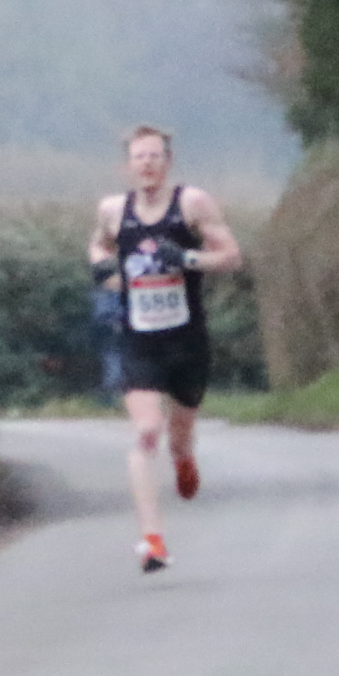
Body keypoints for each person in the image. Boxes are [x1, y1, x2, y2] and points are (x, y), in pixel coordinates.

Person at [89, 125, 243, 571]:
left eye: (155, 156)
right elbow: (98, 247)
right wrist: (105, 270)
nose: (148, 164)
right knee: (146, 432)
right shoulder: (113, 210)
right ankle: (152, 541)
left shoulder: (192, 203)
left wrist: (188, 258)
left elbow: (232, 256)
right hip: (140, 342)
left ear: (168, 162)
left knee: (177, 435)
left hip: (187, 341)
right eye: (140, 156)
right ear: (127, 165)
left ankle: (184, 456)